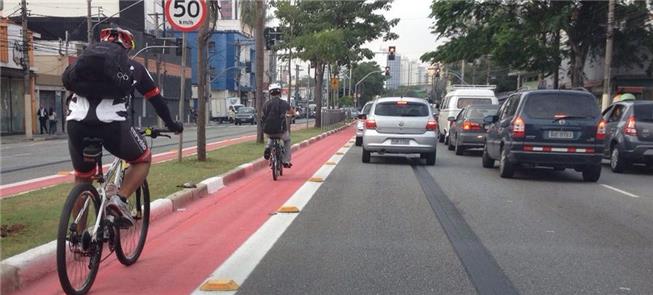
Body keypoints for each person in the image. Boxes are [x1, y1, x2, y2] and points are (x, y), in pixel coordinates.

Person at [64, 27, 183, 228]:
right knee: (142, 159)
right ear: (127, 47)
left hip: (76, 123)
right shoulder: (134, 68)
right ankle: (119, 199)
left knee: (83, 178)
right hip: (112, 126)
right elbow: (157, 102)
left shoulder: (81, 65)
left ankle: (78, 237)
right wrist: (173, 125)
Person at [262, 83, 295, 168]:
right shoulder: (284, 103)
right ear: (279, 92)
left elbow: (263, 115)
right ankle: (286, 160)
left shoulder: (266, 104)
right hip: (281, 131)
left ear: (270, 93)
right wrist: (291, 114)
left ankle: (268, 147)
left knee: (271, 137)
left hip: (268, 131)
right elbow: (291, 112)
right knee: (287, 141)